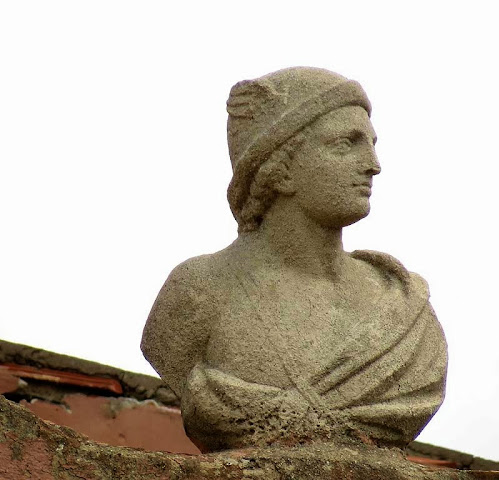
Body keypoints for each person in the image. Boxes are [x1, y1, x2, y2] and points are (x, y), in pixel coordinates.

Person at [141, 67, 447, 452]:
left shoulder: (403, 305)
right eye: (345, 143)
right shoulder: (198, 290)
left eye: (372, 143)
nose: (373, 164)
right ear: (279, 169)